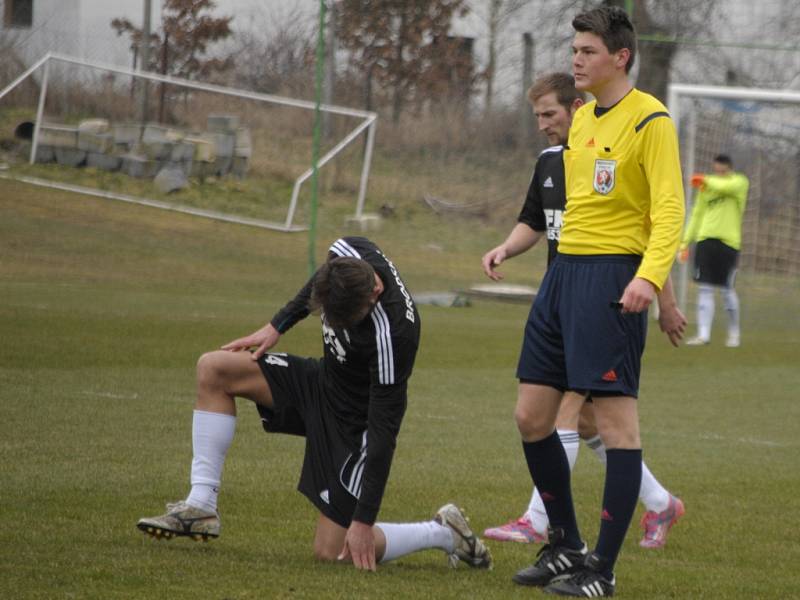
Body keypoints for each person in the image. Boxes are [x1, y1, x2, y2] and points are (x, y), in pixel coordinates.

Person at [136, 236, 492, 572]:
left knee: (331, 552)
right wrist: (277, 325)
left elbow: (384, 431)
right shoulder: (350, 251)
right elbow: (322, 280)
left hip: (355, 425)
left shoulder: (394, 336)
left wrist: (364, 522)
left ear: (374, 294)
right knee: (213, 369)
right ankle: (201, 506)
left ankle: (444, 532)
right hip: (321, 383)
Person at [505, 7, 685, 597]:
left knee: (614, 422)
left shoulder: (650, 120)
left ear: (620, 57)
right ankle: (564, 545)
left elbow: (670, 213)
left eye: (587, 51)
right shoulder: (581, 121)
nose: (576, 59)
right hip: (563, 276)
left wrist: (649, 281)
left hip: (613, 280)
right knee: (532, 415)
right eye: (574, 49)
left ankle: (601, 571)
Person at [679, 154, 749, 347]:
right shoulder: (706, 187)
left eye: (721, 171)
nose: (718, 174)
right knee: (705, 288)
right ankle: (703, 335)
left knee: (727, 290)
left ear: (728, 168)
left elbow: (725, 187)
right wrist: (685, 242)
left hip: (729, 243)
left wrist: (705, 180)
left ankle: (734, 333)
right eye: (715, 171)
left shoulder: (739, 182)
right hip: (705, 241)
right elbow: (697, 214)